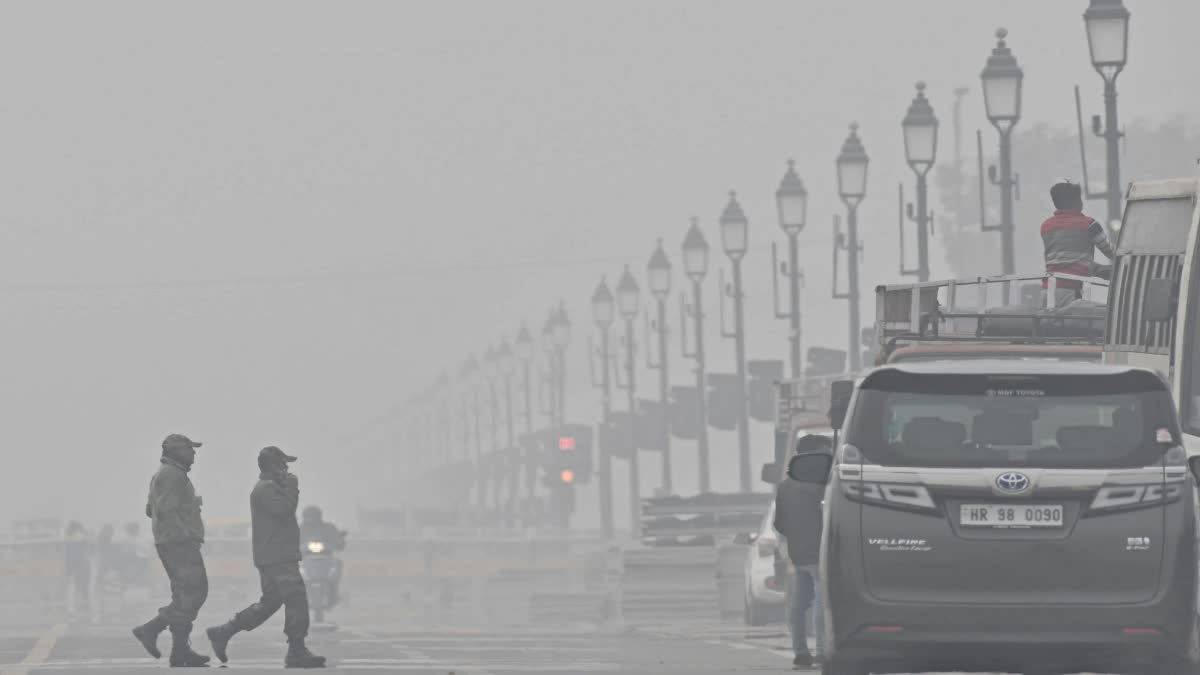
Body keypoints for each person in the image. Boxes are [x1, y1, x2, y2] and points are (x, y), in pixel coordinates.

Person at [205, 446, 326, 669]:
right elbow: (285, 510)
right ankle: (296, 650)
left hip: (273, 554)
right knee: (296, 598)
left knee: (270, 602)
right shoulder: (266, 489)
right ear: (272, 466)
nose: (286, 469)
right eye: (283, 464)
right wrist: (292, 486)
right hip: (277, 555)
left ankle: (223, 632)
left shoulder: (271, 488)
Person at [132, 434, 210, 667]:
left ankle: (180, 651)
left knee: (184, 594)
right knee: (196, 591)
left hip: (170, 541)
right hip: (178, 543)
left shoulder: (163, 474)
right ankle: (151, 628)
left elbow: (150, 509)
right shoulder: (172, 475)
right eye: (190, 449)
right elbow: (165, 510)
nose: (194, 453)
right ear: (177, 451)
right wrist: (185, 533)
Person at [774, 435, 832, 669]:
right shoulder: (823, 485)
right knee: (821, 600)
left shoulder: (785, 485)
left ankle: (800, 652)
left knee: (798, 604)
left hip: (798, 553)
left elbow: (779, 524)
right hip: (821, 552)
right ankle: (820, 651)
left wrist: (795, 539)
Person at [1041, 181, 1114, 308]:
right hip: (1070, 291)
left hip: (1047, 291)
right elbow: (1111, 252)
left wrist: (1097, 269)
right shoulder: (1089, 224)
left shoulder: (1046, 226)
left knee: (1052, 326)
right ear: (1076, 202)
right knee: (1106, 315)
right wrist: (1128, 255)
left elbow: (1068, 261)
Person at [299, 505, 346, 606]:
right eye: (308, 516)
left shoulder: (328, 528)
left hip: (327, 557)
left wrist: (339, 541)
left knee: (338, 564)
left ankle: (334, 588)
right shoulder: (299, 529)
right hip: (305, 557)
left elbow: (338, 540)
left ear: (319, 516)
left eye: (313, 516)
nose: (311, 519)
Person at [62, 520, 91, 615]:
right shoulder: (80, 536)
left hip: (69, 563)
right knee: (82, 585)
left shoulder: (66, 536)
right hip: (79, 563)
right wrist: (83, 531)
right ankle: (84, 605)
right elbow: (86, 542)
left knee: (70, 586)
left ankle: (71, 606)